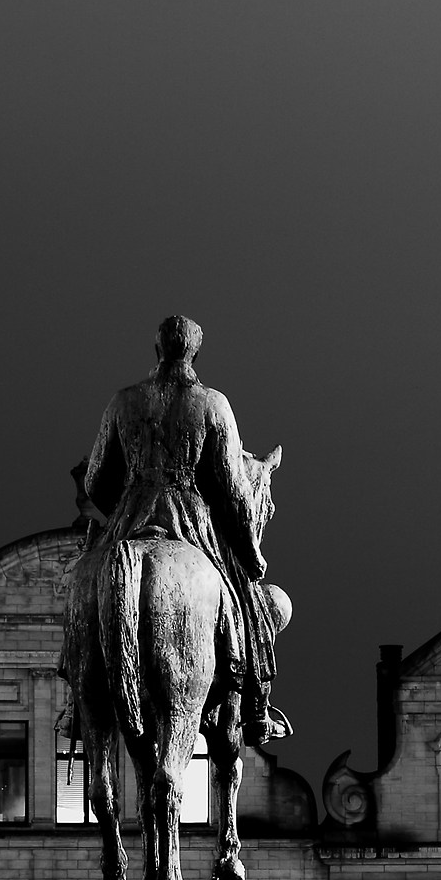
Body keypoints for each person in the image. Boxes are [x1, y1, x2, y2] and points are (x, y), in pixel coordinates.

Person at [67, 315, 283, 747]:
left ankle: (77, 701)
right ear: (194, 352)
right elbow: (237, 493)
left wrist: (124, 502)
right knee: (251, 605)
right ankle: (256, 711)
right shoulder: (212, 404)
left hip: (129, 517)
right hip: (190, 520)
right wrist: (252, 555)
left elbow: (93, 481)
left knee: (82, 592)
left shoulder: (122, 402)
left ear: (158, 350)